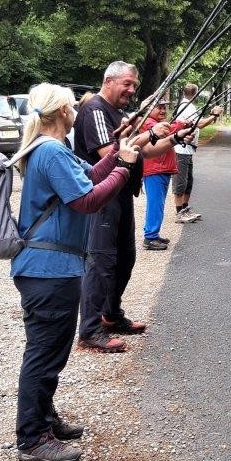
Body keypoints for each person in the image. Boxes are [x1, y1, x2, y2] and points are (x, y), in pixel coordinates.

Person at [12, 84, 140, 461]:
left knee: (53, 349)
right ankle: (32, 438)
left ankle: (44, 420)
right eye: (72, 105)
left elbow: (90, 175)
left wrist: (119, 152)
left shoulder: (52, 150)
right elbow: (88, 200)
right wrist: (126, 166)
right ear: (62, 113)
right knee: (44, 353)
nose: (76, 109)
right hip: (47, 271)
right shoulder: (50, 151)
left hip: (54, 269)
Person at [74, 62, 172, 353]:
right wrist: (150, 134)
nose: (132, 89)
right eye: (127, 83)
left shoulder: (117, 112)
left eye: (134, 84)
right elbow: (111, 153)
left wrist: (173, 138)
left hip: (122, 193)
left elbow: (143, 150)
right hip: (103, 195)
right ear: (108, 80)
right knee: (101, 263)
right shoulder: (95, 110)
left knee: (125, 258)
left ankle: (112, 316)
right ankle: (90, 330)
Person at [140, 97, 197, 248]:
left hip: (161, 169)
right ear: (148, 109)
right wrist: (181, 124)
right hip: (154, 170)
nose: (163, 110)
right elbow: (166, 131)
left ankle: (153, 234)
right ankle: (150, 237)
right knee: (155, 204)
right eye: (159, 107)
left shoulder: (155, 124)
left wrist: (182, 128)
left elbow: (170, 131)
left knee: (158, 204)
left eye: (165, 107)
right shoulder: (148, 124)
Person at [171, 83, 223, 223]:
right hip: (181, 149)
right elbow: (199, 124)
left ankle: (185, 208)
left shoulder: (188, 106)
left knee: (188, 182)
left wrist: (212, 116)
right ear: (196, 93)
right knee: (180, 182)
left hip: (188, 150)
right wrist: (213, 116)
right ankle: (179, 212)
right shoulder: (186, 106)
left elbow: (196, 123)